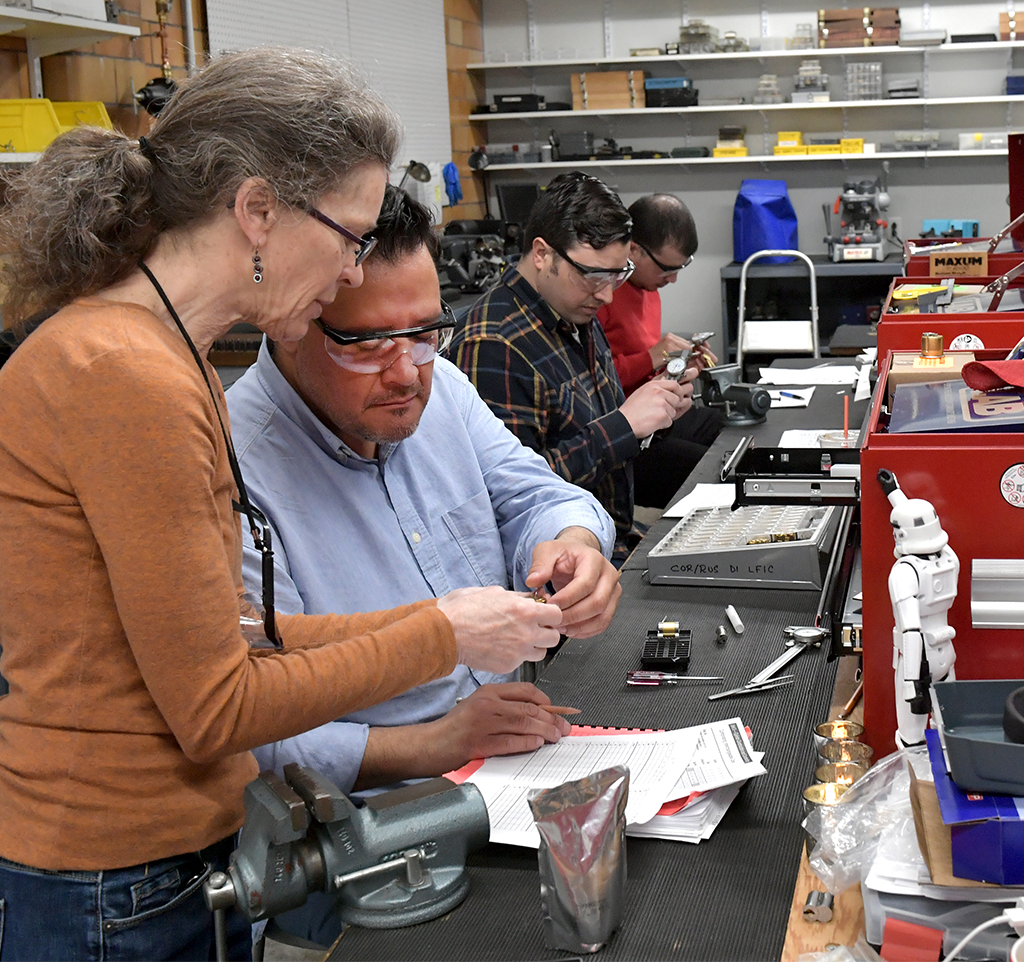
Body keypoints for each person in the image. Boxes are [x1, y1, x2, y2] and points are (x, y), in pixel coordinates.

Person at [0, 48, 563, 962]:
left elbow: (241, 632)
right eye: (350, 234)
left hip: (167, 867)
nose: (352, 268)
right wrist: (440, 635)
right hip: (98, 884)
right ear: (257, 212)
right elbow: (216, 705)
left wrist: (452, 620)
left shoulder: (168, 358)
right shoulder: (125, 374)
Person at [225, 184, 621, 945]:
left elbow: (536, 494)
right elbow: (249, 719)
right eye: (370, 342)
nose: (407, 373)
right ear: (293, 318)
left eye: (426, 331)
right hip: (370, 843)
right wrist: (436, 743)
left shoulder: (440, 394)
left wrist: (571, 544)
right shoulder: (235, 468)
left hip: (513, 771)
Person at [450, 172, 696, 561]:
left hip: (616, 535)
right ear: (542, 253)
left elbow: (597, 429)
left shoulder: (575, 308)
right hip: (565, 570)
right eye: (593, 275)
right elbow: (509, 495)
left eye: (618, 275)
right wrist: (623, 425)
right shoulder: (493, 344)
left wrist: (656, 415)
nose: (606, 293)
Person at [596, 193, 725, 508]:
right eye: (667, 269)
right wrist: (653, 356)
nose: (674, 279)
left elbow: (642, 369)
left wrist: (680, 361)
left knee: (734, 428)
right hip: (625, 437)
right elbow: (596, 383)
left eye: (681, 267)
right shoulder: (601, 296)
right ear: (634, 250)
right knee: (713, 473)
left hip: (660, 417)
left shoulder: (649, 287)